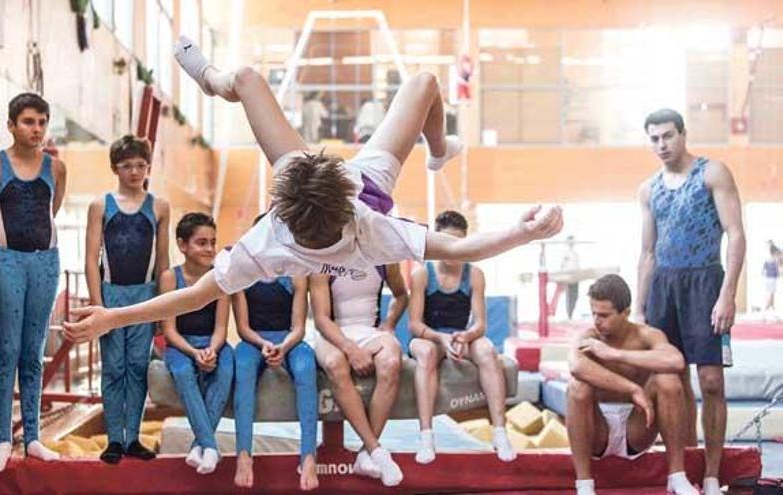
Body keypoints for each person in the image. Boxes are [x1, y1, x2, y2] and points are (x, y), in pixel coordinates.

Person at [62, 37, 562, 369]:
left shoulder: (319, 226)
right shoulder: (302, 229)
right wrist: (526, 231)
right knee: (423, 84)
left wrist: (114, 316)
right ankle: (212, 79)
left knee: (257, 82)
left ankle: (439, 150)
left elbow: (196, 296)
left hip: (336, 181)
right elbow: (465, 249)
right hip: (341, 181)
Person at [635, 108, 745, 495]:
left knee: (711, 381)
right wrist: (639, 308)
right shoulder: (649, 189)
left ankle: (712, 473)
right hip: (664, 286)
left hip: (705, 282)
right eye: (654, 138)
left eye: (667, 136)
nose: (661, 144)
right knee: (672, 384)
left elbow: (735, 234)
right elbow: (647, 252)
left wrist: (727, 294)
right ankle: (682, 468)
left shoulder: (713, 173)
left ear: (683, 134)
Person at [0, 93, 68, 471]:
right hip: (5, 262)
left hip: (45, 262)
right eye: (28, 121)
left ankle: (33, 439)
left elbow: (50, 212)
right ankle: (2, 440)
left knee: (33, 350)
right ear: (11, 125)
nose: (36, 129)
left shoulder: (56, 169)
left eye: (42, 122)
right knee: (7, 349)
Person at [567, 274, 697, 495]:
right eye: (594, 314)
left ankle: (677, 477)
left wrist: (614, 354)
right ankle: (584, 485)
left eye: (605, 315)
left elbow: (676, 361)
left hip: (637, 429)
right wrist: (633, 388)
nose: (597, 321)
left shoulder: (647, 335)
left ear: (625, 313)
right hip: (597, 432)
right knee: (578, 387)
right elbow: (577, 367)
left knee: (668, 380)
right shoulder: (588, 337)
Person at [84, 135, 170, 463]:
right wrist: (97, 305)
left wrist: (164, 306)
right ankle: (114, 440)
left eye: (140, 165)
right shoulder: (100, 206)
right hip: (110, 296)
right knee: (113, 367)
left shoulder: (159, 207)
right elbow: (92, 259)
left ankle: (132, 437)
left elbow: (162, 262)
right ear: (115, 168)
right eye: (126, 166)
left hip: (144, 296)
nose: (134, 171)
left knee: (137, 367)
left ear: (148, 167)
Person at [407, 210, 515, 464]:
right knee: (425, 352)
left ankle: (499, 431)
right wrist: (439, 338)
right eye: (446, 244)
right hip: (430, 337)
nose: (452, 251)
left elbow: (480, 323)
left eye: (458, 245)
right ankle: (426, 435)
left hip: (459, 337)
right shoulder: (422, 274)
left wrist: (467, 336)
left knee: (487, 349)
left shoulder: (474, 274)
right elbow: (414, 324)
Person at [232, 217, 318, 491]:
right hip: (253, 339)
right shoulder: (243, 272)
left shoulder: (296, 272)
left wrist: (284, 347)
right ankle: (244, 455)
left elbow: (298, 327)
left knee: (306, 368)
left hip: (288, 339)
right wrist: (262, 345)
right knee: (243, 368)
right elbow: (243, 327)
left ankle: (308, 457)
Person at [310, 261, 409, 487]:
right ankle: (376, 450)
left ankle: (366, 453)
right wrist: (350, 349)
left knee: (392, 362)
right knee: (335, 364)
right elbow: (322, 319)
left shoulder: (384, 257)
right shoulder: (324, 260)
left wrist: (389, 324)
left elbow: (402, 295)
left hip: (370, 331)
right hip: (333, 334)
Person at [158, 213, 234, 475]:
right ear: (182, 245)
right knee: (182, 371)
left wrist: (212, 349)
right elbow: (169, 330)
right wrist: (193, 352)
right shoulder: (170, 278)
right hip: (181, 345)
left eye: (213, 242)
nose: (210, 249)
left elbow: (221, 327)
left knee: (226, 369)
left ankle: (199, 447)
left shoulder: (220, 277)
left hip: (213, 342)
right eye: (202, 242)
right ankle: (210, 446)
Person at [561, 235, 580, 319]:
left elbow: (577, 265)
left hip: (576, 276)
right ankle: (569, 315)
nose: (572, 243)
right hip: (568, 276)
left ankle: (571, 314)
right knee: (569, 295)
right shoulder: (565, 253)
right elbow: (562, 265)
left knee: (575, 295)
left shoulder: (575, 253)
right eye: (570, 241)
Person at [762, 241, 780, 315]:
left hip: (771, 277)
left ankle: (771, 306)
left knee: (772, 293)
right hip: (770, 278)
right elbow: (763, 269)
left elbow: (764, 270)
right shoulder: (771, 259)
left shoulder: (774, 259)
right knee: (770, 292)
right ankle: (768, 306)